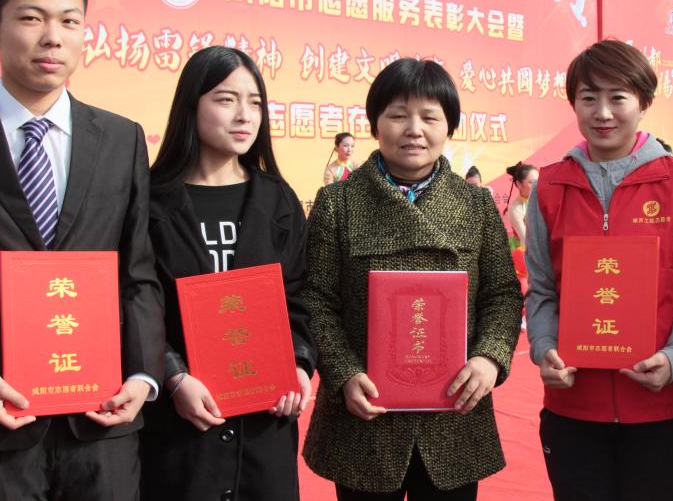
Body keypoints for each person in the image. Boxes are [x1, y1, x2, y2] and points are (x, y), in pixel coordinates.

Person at [0, 0, 164, 499]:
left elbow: (138, 275)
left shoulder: (122, 139)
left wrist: (142, 375)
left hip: (103, 424)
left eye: (69, 20)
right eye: (31, 18)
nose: (53, 36)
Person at [301, 58, 523, 500]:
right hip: (364, 416)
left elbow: (501, 294)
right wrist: (343, 373)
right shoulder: (336, 204)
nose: (414, 130)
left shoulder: (476, 205)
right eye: (399, 115)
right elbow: (316, 300)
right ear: (375, 124)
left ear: (449, 127)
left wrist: (489, 359)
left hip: (454, 415)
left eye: (430, 117)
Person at [525, 39, 673, 501]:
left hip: (660, 406)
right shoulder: (550, 186)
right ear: (574, 104)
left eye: (618, 97)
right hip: (574, 405)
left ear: (644, 102)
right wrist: (545, 349)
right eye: (589, 98)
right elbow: (542, 290)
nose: (603, 113)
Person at [139, 46, 316, 500]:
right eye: (225, 99)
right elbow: (137, 304)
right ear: (190, 105)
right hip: (180, 431)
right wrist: (174, 377)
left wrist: (298, 364)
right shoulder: (151, 202)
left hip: (264, 426)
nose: (244, 115)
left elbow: (301, 298)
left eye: (255, 102)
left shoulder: (278, 200)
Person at [505, 162, 538, 248]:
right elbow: (526, 239)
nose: (537, 185)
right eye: (532, 182)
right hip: (527, 249)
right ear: (519, 184)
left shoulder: (544, 199)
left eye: (538, 181)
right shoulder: (515, 208)